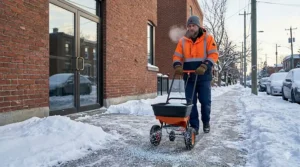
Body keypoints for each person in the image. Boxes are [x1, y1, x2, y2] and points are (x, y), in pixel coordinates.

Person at [172, 16, 219, 134]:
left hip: (203, 77)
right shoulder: (182, 41)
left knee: (205, 101)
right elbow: (177, 56)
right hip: (189, 77)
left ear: (198, 26)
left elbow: (213, 55)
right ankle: (194, 127)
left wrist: (204, 66)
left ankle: (206, 122)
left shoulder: (208, 39)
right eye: (189, 26)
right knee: (190, 103)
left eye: (193, 26)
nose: (191, 28)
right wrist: (177, 65)